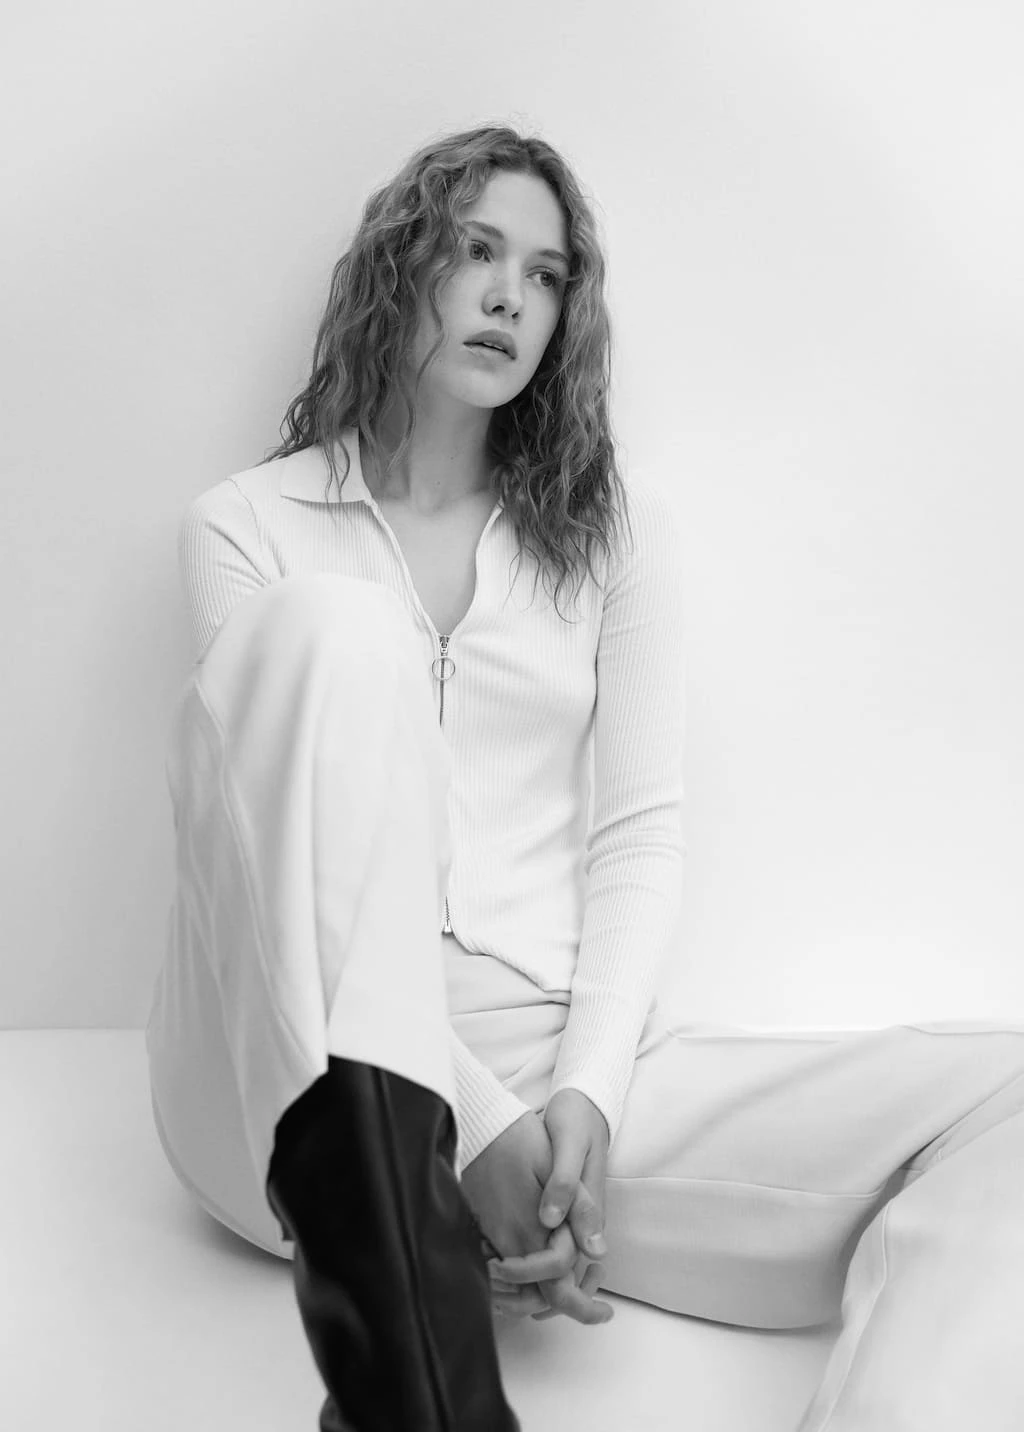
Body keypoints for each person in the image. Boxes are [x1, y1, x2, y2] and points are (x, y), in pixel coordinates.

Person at [146, 122, 1024, 1432]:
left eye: (547, 275)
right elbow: (259, 856)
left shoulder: (615, 530)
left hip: (548, 1058)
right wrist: (471, 1123)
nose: (511, 296)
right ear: (402, 265)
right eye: (477, 251)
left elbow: (639, 835)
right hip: (284, 1057)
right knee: (330, 632)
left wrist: (584, 1098)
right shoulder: (247, 525)